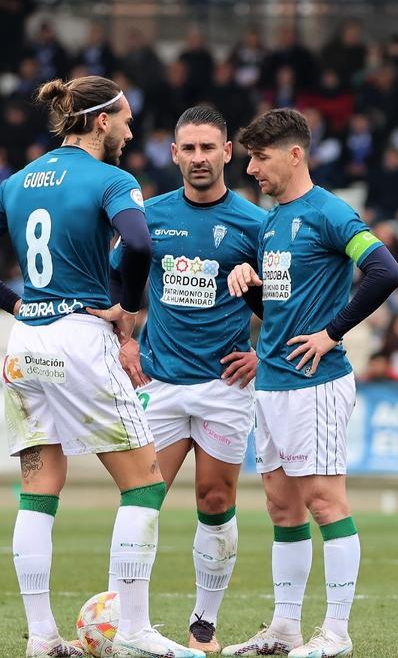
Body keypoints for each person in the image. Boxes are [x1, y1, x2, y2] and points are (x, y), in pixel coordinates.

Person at [0, 75, 205, 658]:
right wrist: (129, 309)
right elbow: (138, 244)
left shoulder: (18, 180)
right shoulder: (113, 180)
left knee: (38, 489)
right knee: (143, 484)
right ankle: (133, 629)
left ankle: (42, 638)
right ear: (101, 121)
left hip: (24, 342)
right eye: (127, 119)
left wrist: (16, 301)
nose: (133, 130)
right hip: (80, 340)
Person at [223, 108, 398, 657]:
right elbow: (279, 307)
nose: (251, 167)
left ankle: (337, 634)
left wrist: (331, 333)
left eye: (260, 157)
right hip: (273, 383)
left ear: (295, 154)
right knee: (282, 508)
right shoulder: (274, 219)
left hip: (315, 382)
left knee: (326, 503)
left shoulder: (329, 213)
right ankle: (284, 629)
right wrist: (247, 284)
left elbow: (385, 270)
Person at [109, 106, 266, 654]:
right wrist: (126, 341)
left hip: (226, 387)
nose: (199, 158)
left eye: (209, 148)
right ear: (173, 154)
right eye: (188, 149)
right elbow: (117, 288)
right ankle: (129, 623)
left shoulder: (255, 224)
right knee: (142, 495)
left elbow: (289, 307)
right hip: (163, 383)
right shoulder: (147, 216)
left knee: (216, 499)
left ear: (228, 153)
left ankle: (203, 623)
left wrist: (262, 356)